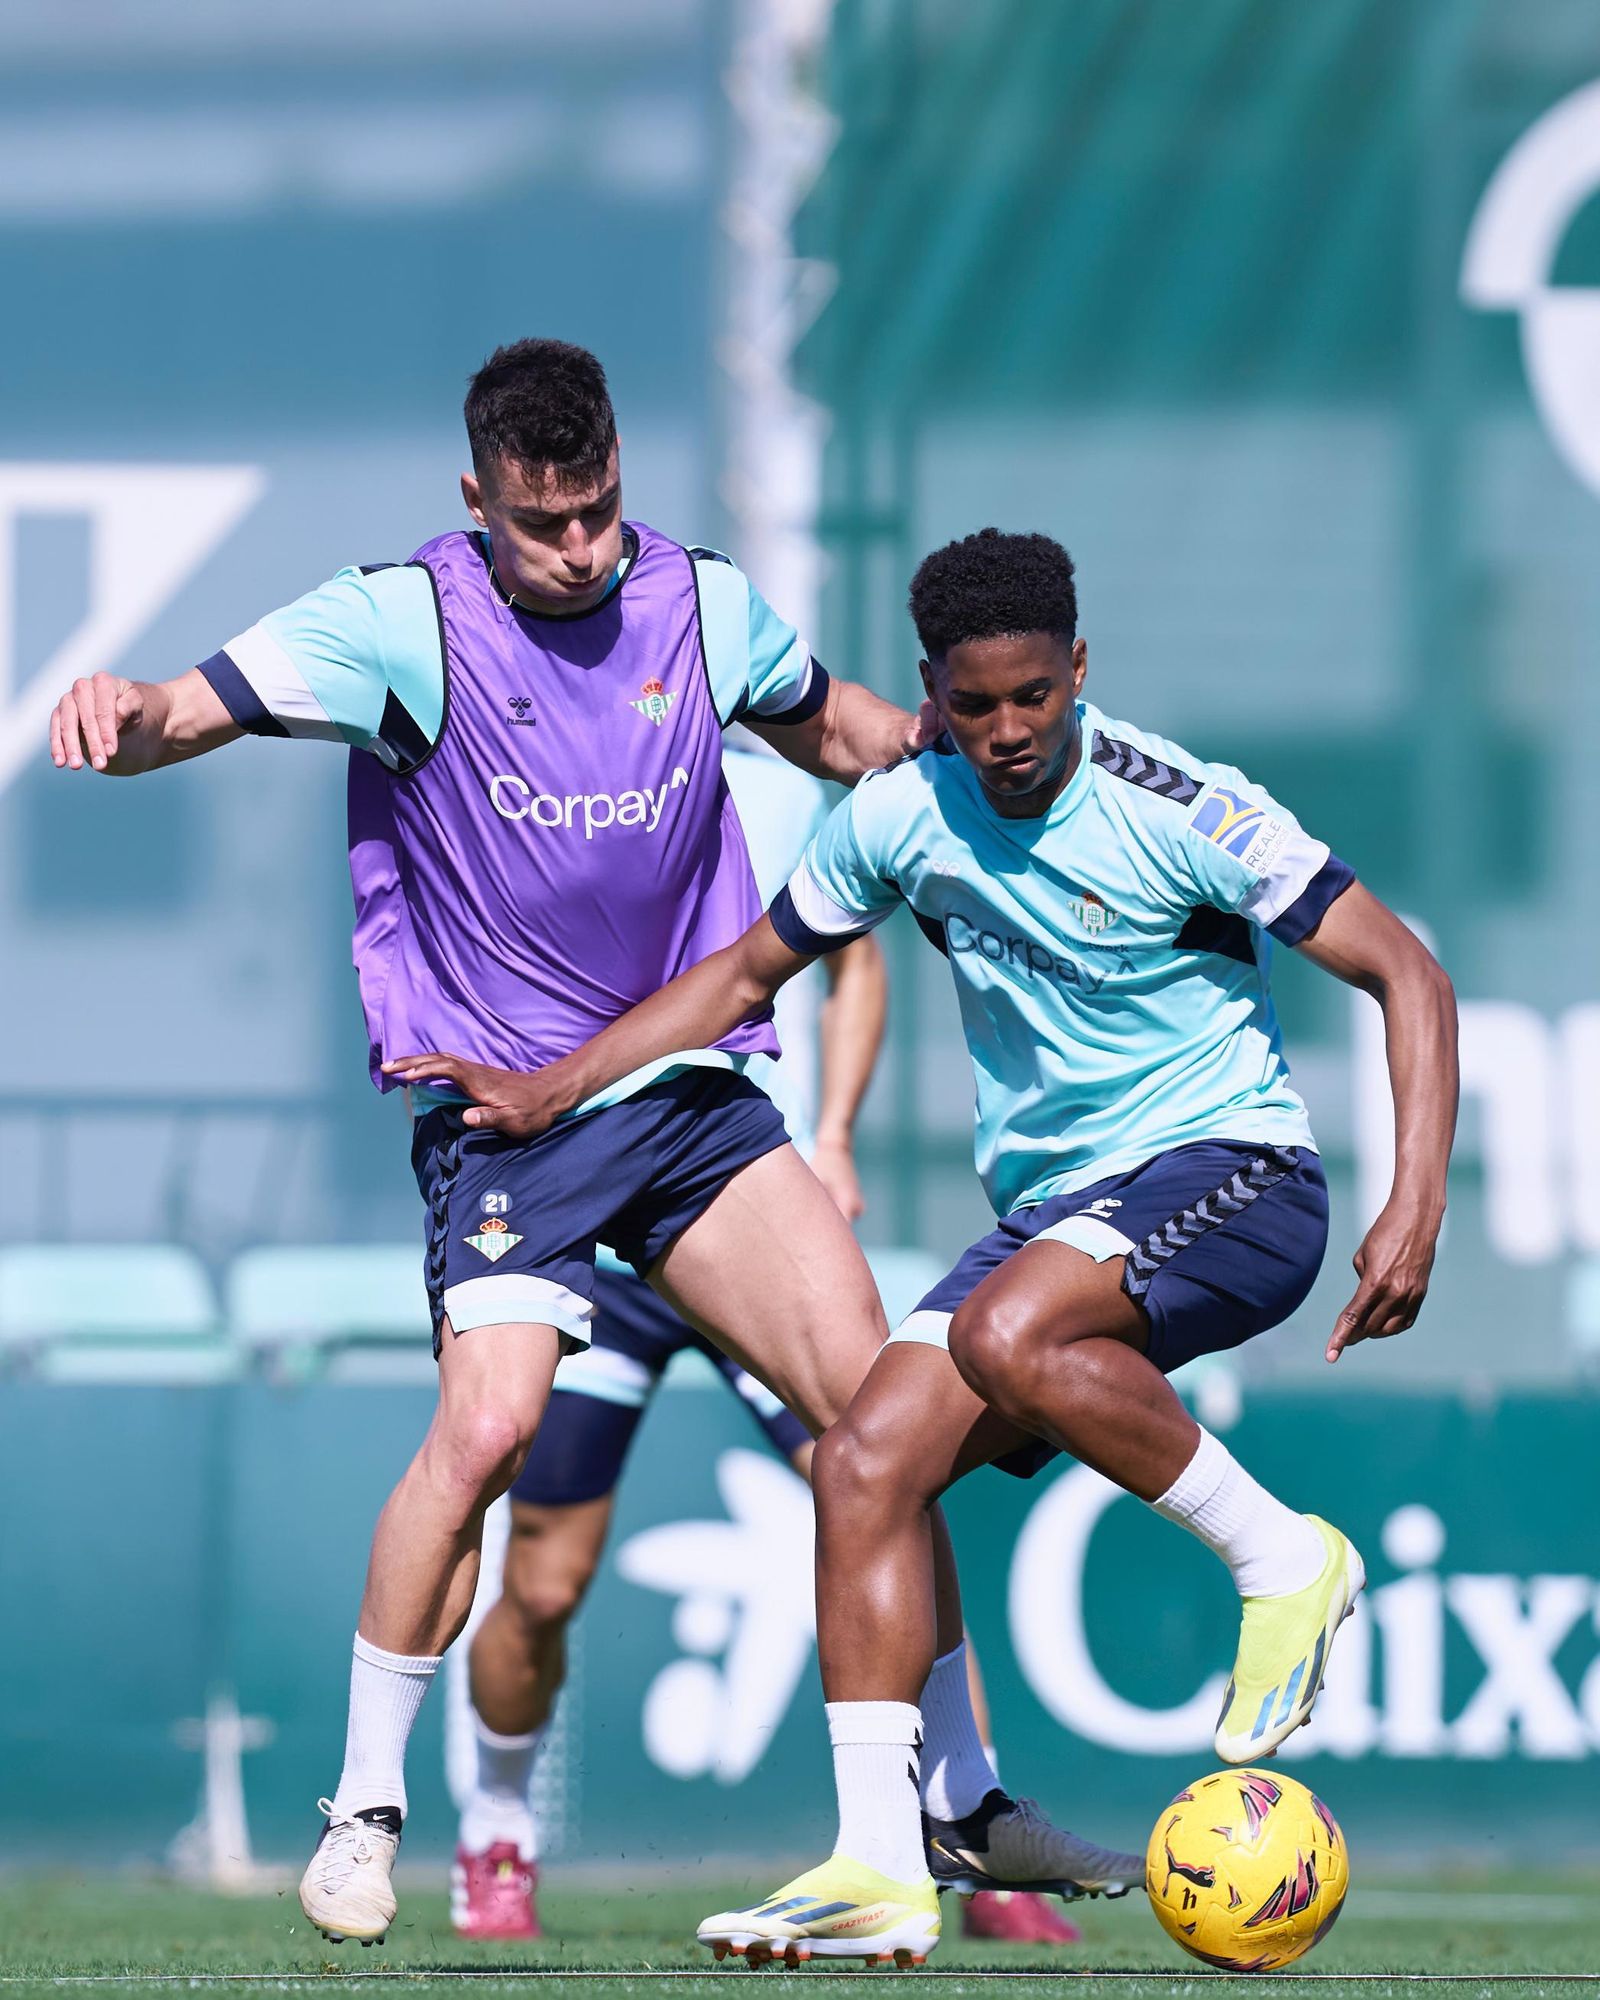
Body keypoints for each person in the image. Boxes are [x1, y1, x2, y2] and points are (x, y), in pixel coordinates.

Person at [46, 347, 1129, 1952]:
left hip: (689, 1101)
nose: (583, 547)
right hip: (503, 1117)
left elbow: (840, 730)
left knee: (882, 1425)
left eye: (602, 506)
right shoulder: (396, 621)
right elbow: (180, 713)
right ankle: (364, 1810)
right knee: (486, 1439)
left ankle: (959, 1799)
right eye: (546, 522)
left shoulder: (698, 602)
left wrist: (979, 746)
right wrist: (118, 710)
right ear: (476, 503)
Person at [387, 527, 1460, 1968]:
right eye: (976, 704)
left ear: (1080, 670)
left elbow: (1410, 972)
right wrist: (560, 1082)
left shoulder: (1187, 807)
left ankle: (1284, 1564)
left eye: (1036, 696)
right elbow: (740, 977)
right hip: (1057, 1216)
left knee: (1004, 1340)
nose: (1010, 732)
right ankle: (882, 1868)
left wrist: (1415, 1201)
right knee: (864, 1458)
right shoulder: (904, 816)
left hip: (1237, 1175)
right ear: (932, 694)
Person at [448, 740, 1082, 1950]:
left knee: (885, 1476)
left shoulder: (790, 793)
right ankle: (498, 1828)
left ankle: (965, 1820)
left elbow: (856, 971)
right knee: (544, 1575)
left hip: (733, 1205)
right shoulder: (549, 770)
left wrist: (833, 1134)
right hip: (596, 1226)